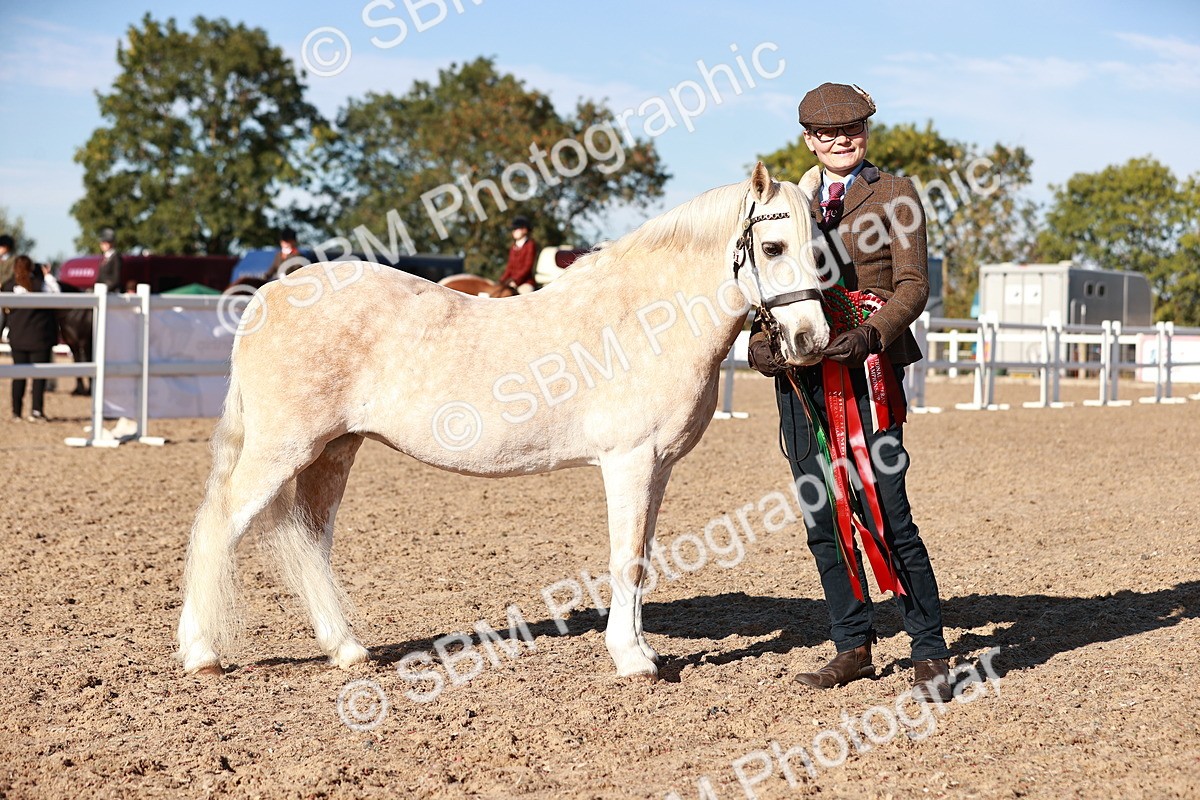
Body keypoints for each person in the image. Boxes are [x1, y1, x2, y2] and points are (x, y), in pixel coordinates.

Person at [748, 82, 952, 702]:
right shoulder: (784, 200)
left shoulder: (895, 194)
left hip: (867, 371)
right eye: (827, 133)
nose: (841, 140)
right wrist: (759, 342)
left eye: (852, 130)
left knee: (887, 509)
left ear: (866, 132)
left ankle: (929, 649)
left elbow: (913, 285)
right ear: (809, 140)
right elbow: (767, 278)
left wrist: (871, 334)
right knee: (823, 518)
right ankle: (852, 646)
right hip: (803, 378)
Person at [2, 255, 59, 422]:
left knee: (18, 375)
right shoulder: (40, 284)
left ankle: (16, 412)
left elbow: (3, 314)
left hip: (18, 338)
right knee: (39, 376)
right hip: (39, 338)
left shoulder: (8, 286)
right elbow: (57, 296)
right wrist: (48, 275)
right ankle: (36, 411)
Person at [499, 215, 538, 294]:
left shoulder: (530, 245)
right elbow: (509, 267)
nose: (514, 231)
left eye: (516, 229)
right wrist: (501, 280)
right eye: (513, 229)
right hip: (511, 282)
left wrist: (515, 280)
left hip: (525, 283)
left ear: (524, 230)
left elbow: (527, 267)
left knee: (524, 295)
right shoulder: (513, 247)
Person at [97, 227, 123, 293]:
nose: (102, 245)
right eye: (102, 243)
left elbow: (116, 278)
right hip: (102, 289)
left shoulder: (116, 257)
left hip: (112, 291)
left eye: (105, 243)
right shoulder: (104, 258)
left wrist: (106, 289)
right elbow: (100, 277)